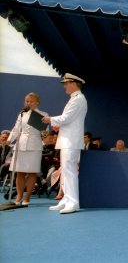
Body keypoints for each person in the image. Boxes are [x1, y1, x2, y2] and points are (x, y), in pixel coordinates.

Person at [42, 73, 87, 214]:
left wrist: (51, 120)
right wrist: (58, 124)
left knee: (70, 171)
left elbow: (67, 117)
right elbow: (69, 120)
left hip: (71, 140)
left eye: (66, 84)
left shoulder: (78, 99)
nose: (65, 86)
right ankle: (67, 200)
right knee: (66, 171)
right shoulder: (74, 99)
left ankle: (73, 203)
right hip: (67, 139)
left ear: (74, 83)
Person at [6, 92, 47, 206]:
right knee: (20, 172)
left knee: (32, 172)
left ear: (37, 102)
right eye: (27, 101)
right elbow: (16, 129)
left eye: (31, 101)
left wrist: (44, 133)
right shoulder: (22, 114)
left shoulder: (43, 114)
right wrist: (9, 139)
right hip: (21, 144)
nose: (29, 103)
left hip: (35, 145)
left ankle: (27, 197)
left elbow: (44, 133)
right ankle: (19, 196)